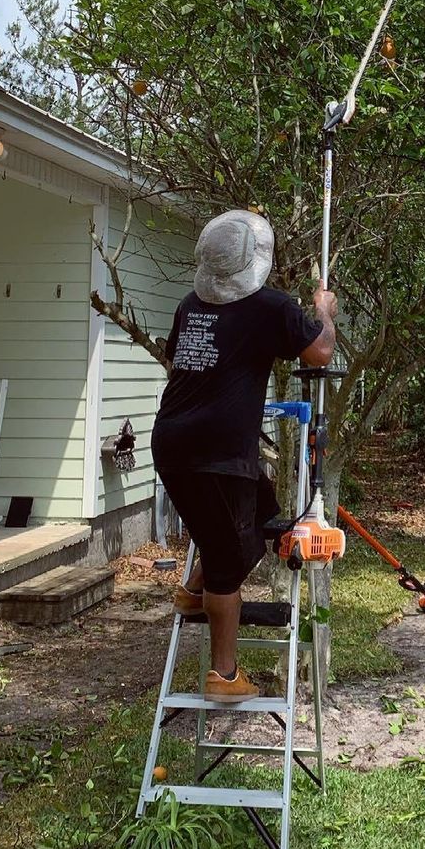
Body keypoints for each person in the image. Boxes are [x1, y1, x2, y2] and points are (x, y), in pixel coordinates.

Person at [152, 209, 337, 702]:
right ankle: (224, 675)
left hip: (173, 442)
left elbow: (180, 360)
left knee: (262, 514)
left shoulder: (191, 305)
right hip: (217, 453)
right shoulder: (270, 306)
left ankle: (194, 589)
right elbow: (319, 353)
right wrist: (324, 310)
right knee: (230, 560)